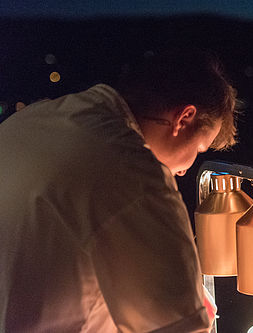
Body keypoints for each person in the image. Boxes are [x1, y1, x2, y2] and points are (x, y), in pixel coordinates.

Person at [0, 50, 237, 332]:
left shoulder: (29, 123)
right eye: (199, 148)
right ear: (184, 118)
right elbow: (178, 327)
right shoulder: (134, 174)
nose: (187, 169)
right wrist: (188, 308)